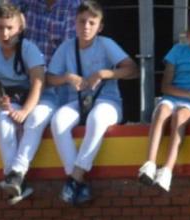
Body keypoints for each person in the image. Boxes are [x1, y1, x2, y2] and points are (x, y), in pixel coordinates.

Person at [45, 0, 133, 205]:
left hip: (107, 101)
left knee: (97, 118)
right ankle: (78, 180)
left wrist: (105, 73)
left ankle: (74, 176)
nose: (86, 27)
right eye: (82, 22)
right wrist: (68, 78)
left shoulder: (106, 44)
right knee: (58, 121)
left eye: (91, 23)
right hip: (76, 101)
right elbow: (49, 78)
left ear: (100, 27)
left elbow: (132, 69)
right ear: (74, 23)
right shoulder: (67, 47)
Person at [137, 8, 190, 192]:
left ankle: (167, 170)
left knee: (180, 115)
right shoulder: (177, 51)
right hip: (175, 97)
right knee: (161, 111)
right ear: (189, 35)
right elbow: (165, 87)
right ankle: (150, 163)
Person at [0, 2, 52, 205]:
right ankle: (16, 181)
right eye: (0, 27)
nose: (5, 33)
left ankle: (15, 173)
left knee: (34, 120)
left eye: (10, 28)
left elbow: (38, 84)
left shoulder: (29, 49)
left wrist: (24, 111)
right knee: (2, 123)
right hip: (15, 100)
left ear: (20, 28)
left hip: (42, 98)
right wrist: (1, 103)